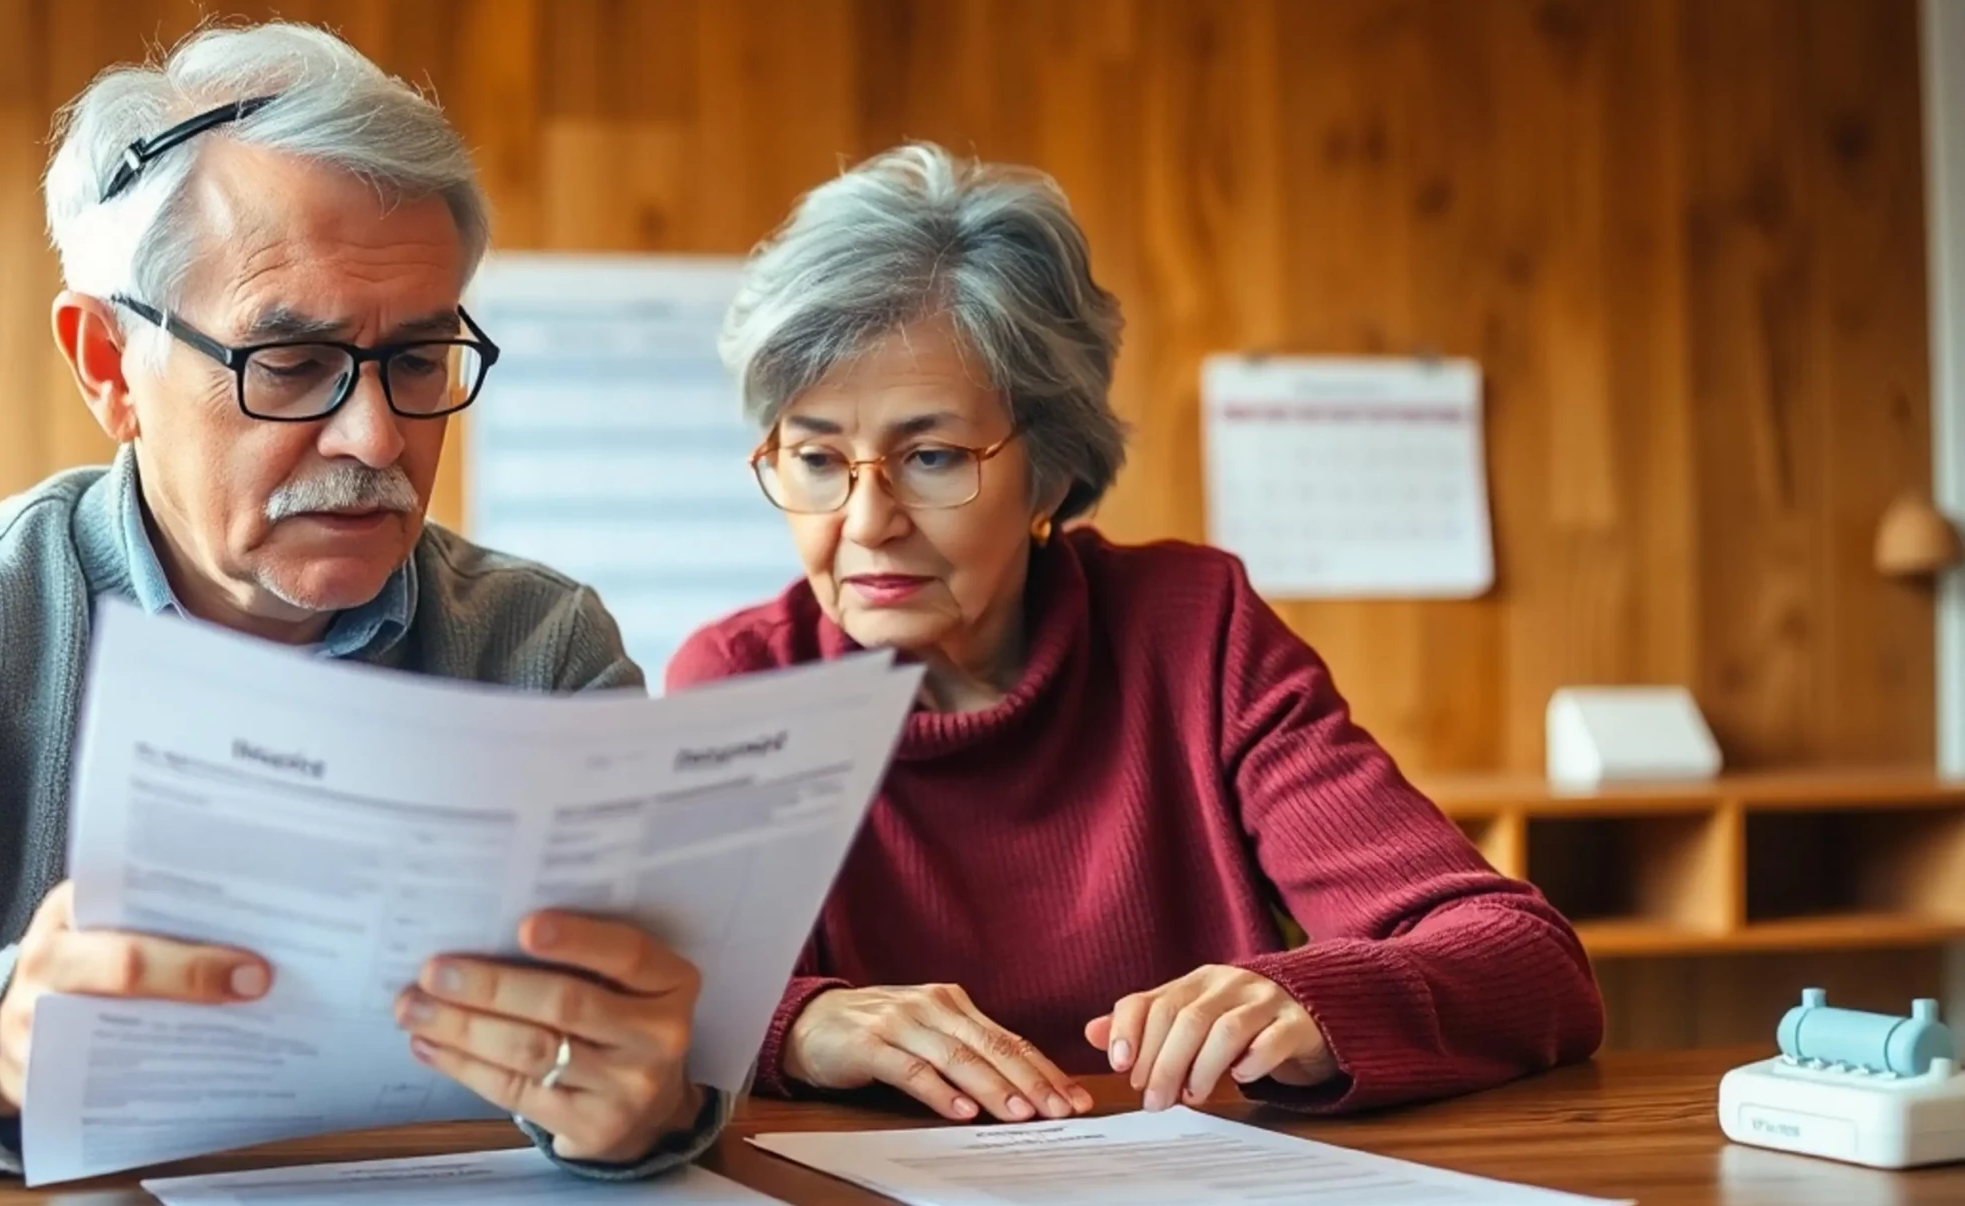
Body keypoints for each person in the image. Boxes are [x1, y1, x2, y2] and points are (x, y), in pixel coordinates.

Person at [0, 23, 718, 1177]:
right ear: (108, 364)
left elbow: (654, 1039)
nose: (378, 436)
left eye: (417, 360)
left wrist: (648, 1105)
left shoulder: (537, 647)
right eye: (292, 362)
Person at [672, 143, 1603, 1123]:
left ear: (1053, 471)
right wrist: (804, 1025)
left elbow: (1529, 960)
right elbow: (656, 1008)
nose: (865, 521)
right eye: (817, 456)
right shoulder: (744, 682)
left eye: (933, 455)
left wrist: (1313, 996)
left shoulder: (1192, 633)